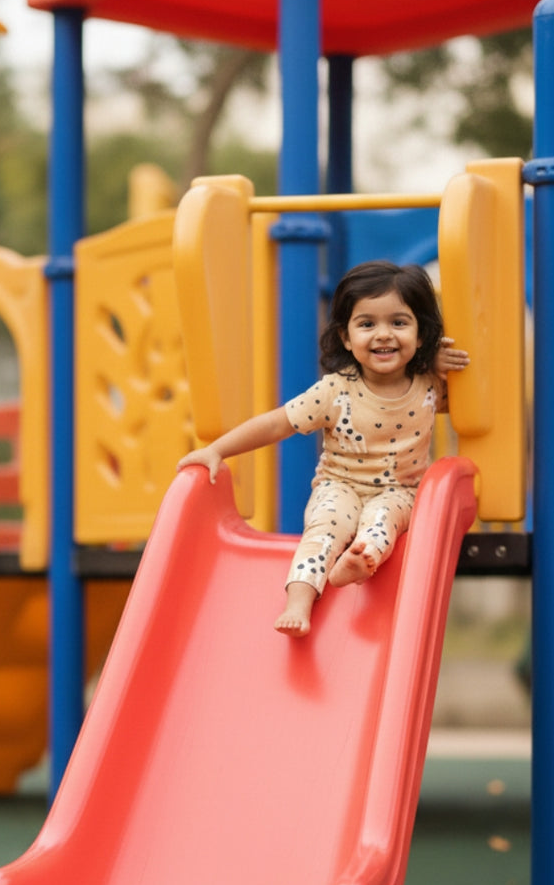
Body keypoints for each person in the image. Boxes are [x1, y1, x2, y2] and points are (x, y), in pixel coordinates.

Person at [177, 260, 469, 636]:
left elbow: (474, 401)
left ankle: (359, 561)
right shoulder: (335, 391)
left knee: (382, 521)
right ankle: (298, 601)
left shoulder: (430, 384)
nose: (384, 335)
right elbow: (276, 423)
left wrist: (443, 366)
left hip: (400, 491)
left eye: (399, 323)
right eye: (367, 324)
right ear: (346, 337)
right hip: (339, 485)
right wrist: (217, 449)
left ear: (421, 333)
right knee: (324, 528)